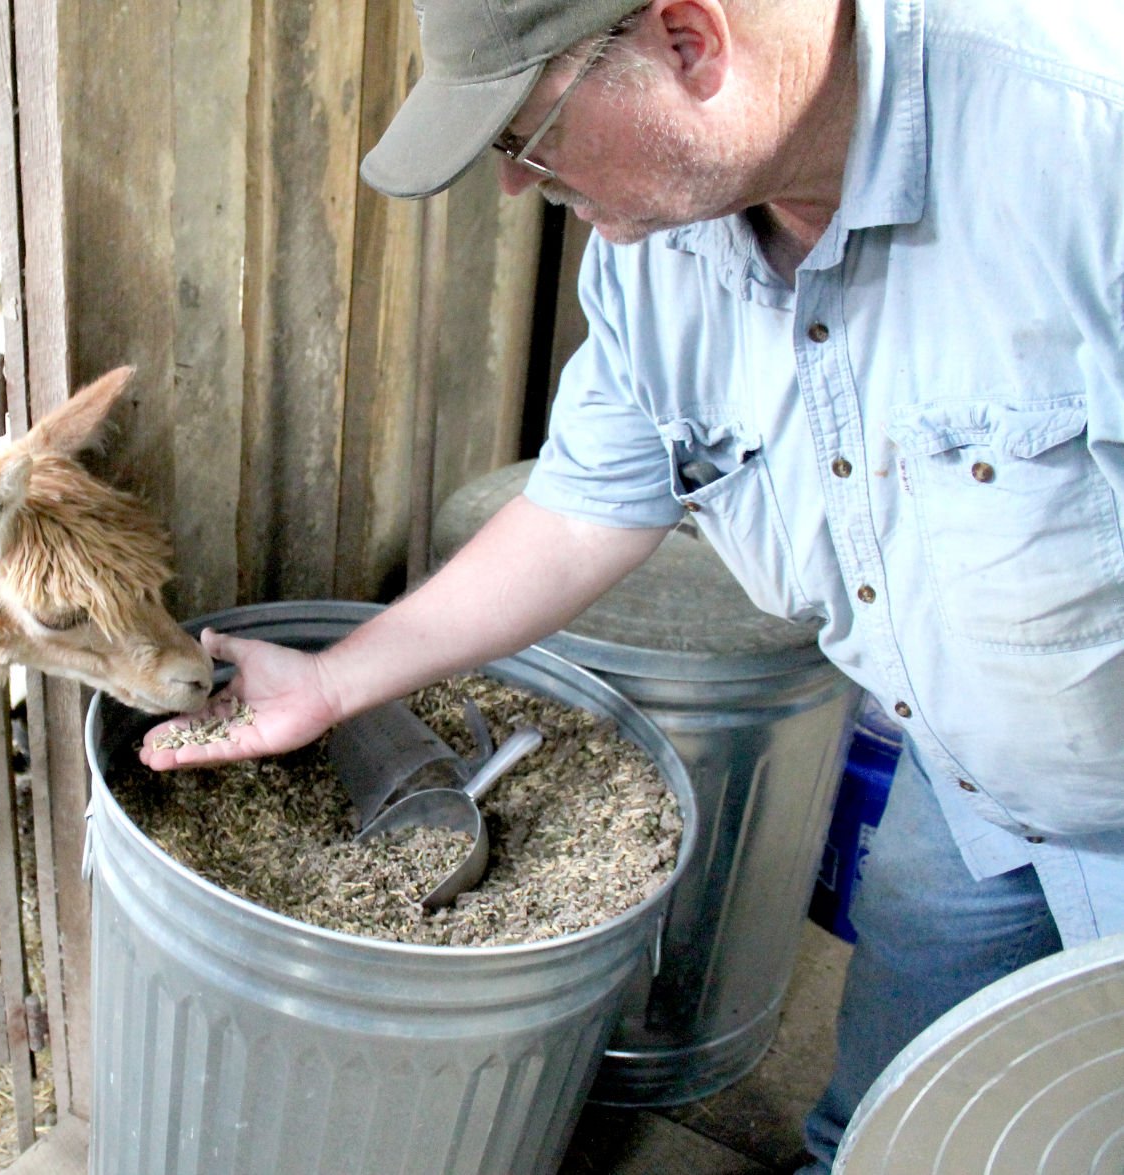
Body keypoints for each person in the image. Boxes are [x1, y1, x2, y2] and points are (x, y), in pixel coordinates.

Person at [139, 0, 1124, 1168]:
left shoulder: (1080, 141)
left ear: (687, 41)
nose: (513, 186)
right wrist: (331, 680)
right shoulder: (667, 247)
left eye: (525, 133)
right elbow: (579, 509)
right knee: (895, 1126)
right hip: (969, 786)